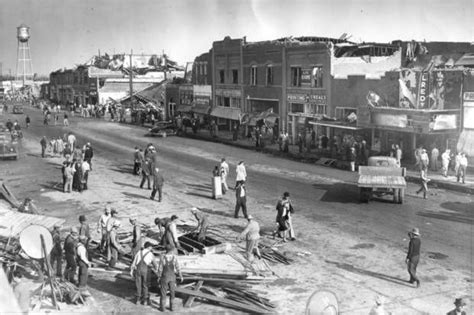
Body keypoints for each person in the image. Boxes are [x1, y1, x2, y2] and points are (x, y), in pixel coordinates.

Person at [158, 245, 183, 312]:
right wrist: (181, 276)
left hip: (164, 276)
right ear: (172, 250)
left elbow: (160, 268)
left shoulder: (162, 257)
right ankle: (172, 308)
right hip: (172, 277)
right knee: (172, 292)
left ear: (166, 250)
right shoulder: (174, 257)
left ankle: (162, 308)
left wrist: (159, 277)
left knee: (163, 292)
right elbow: (178, 267)